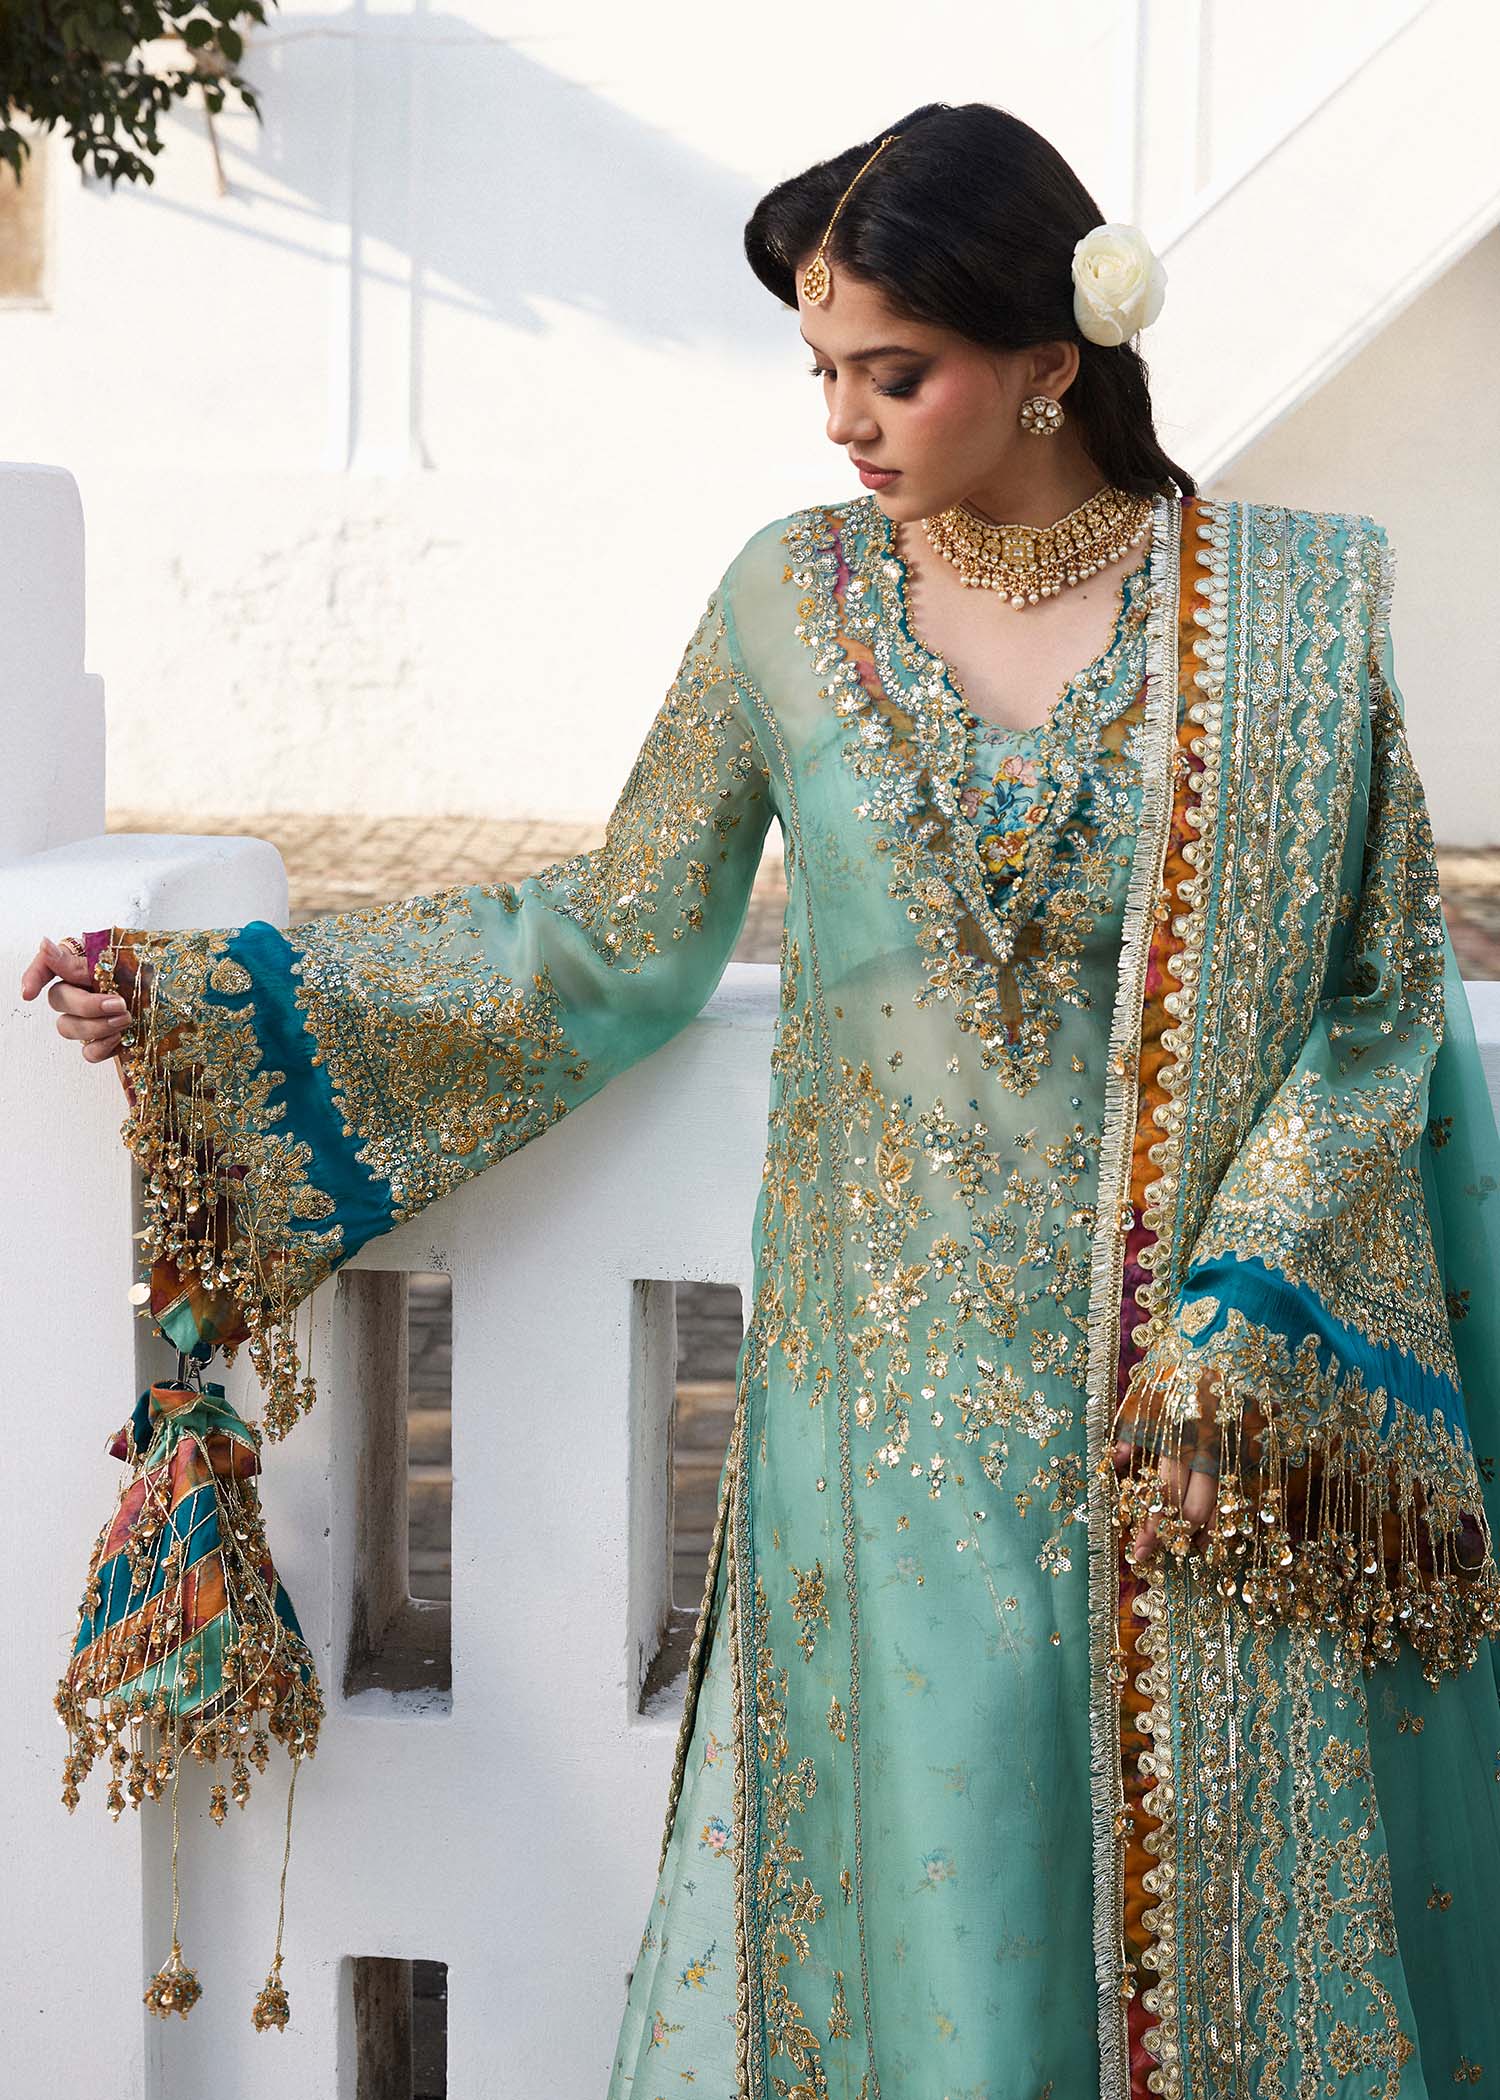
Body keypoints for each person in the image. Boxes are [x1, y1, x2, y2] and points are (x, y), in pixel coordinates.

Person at [23, 100, 1500, 2100]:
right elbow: (613, 938)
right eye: (821, 371)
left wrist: (1252, 1306)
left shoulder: (1288, 619)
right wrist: (226, 1004)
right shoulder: (791, 606)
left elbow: (1380, 998)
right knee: (950, 1944)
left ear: (1052, 356)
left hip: (1196, 1408)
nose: (842, 423)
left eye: (894, 371)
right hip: (888, 1431)